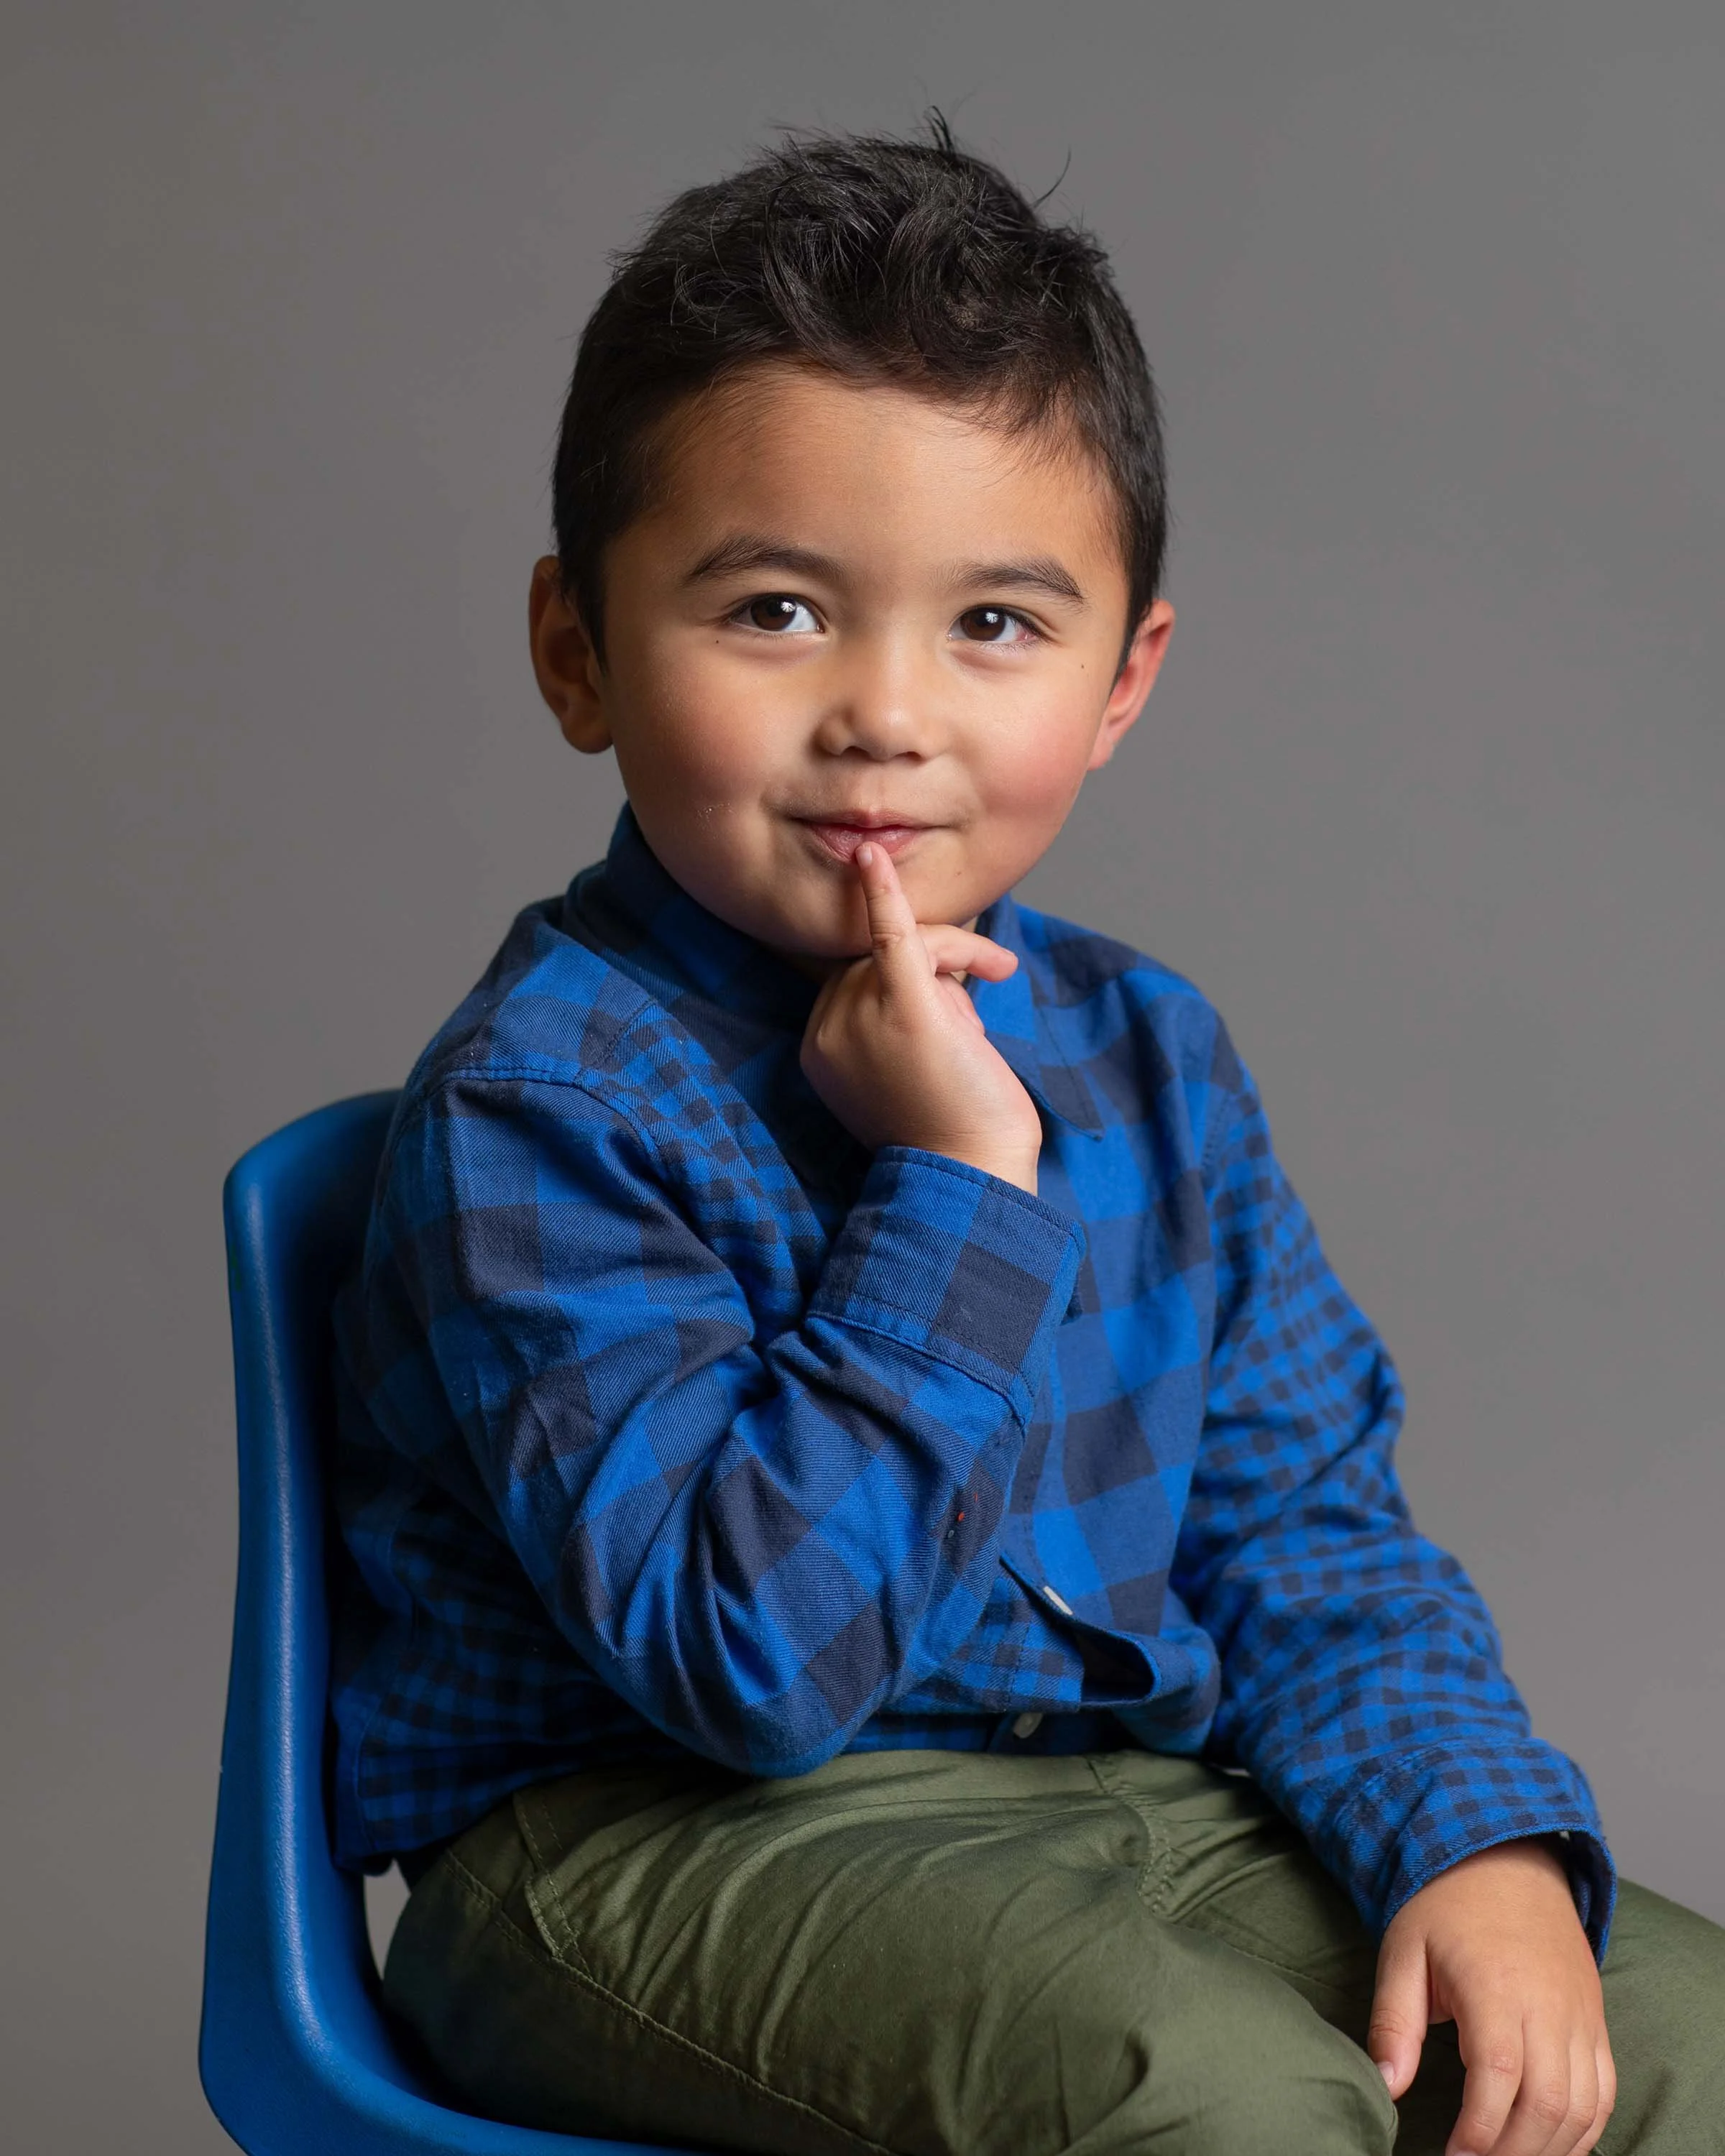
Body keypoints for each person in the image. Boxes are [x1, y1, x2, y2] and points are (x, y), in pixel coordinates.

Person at [330, 124, 1724, 2156]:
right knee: (1229, 2106)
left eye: (994, 625)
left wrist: (1475, 1837)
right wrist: (957, 1185)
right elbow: (756, 1671)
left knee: (1666, 2048)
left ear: (1123, 678)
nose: (888, 712)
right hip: (635, 1850)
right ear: (579, 651)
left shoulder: (1147, 1049)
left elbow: (1300, 1531)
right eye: (781, 609)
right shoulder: (542, 1107)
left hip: (1102, 1805)